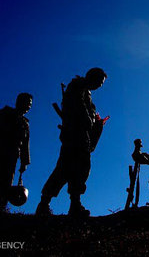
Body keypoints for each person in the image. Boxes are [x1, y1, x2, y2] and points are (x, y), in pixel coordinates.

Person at [36, 67, 108, 217]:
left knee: (80, 171)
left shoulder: (86, 93)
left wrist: (96, 123)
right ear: (91, 77)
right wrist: (89, 121)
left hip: (82, 138)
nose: (99, 86)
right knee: (64, 169)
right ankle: (44, 203)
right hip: (74, 136)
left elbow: (88, 115)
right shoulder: (77, 87)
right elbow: (79, 109)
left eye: (101, 83)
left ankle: (75, 204)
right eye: (99, 82)